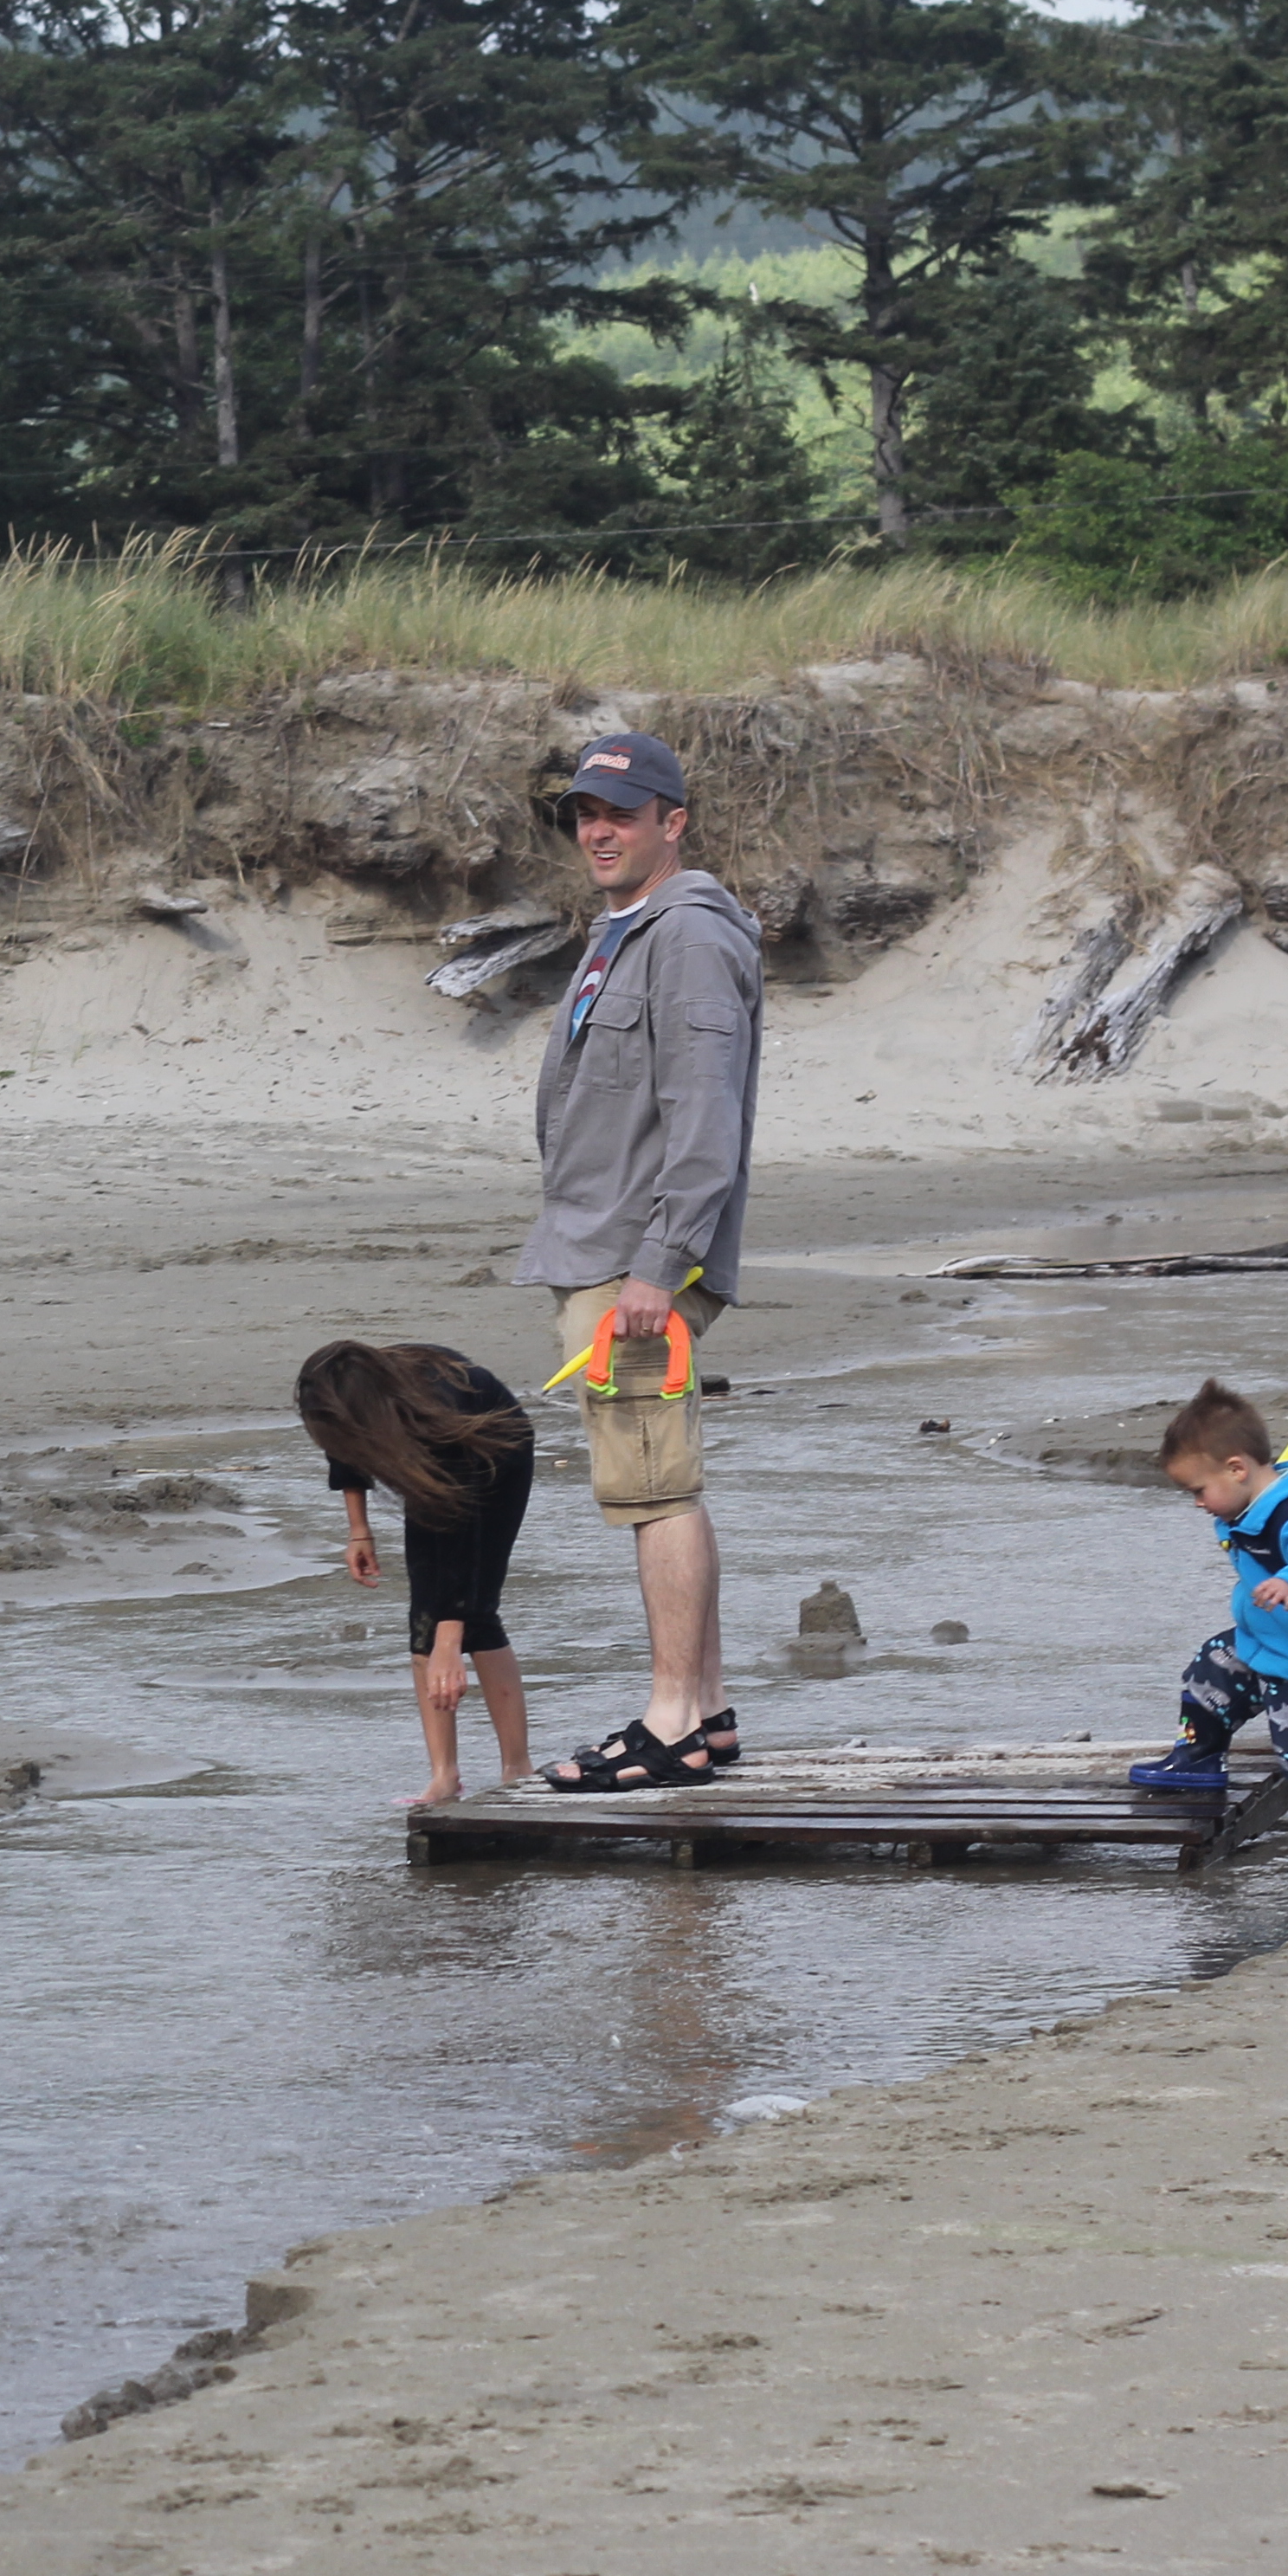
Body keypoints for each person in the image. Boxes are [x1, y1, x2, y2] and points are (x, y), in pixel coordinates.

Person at [509, 729, 763, 1793]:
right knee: (657, 1480)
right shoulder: (626, 928)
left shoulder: (690, 937)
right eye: (584, 814)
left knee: (654, 1484)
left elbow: (704, 1118)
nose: (598, 831)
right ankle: (701, 1716)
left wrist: (661, 1266)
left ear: (674, 821)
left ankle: (668, 1721)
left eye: (620, 813)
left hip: (637, 1264)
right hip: (604, 1247)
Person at [1129, 1379, 1288, 1868]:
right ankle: (1199, 1759)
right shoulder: (1249, 1503)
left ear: (1237, 1468)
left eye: (1198, 1490)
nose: (1197, 1503)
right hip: (1265, 1639)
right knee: (1211, 1671)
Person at [298, 1339, 540, 1807]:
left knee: (478, 1611)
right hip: (430, 1461)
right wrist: (359, 1531)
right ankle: (444, 1776)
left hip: (494, 1453)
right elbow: (342, 1450)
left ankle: (517, 1768)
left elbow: (460, 1537)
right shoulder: (341, 1398)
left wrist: (451, 1644)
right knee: (422, 1620)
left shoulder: (438, 1412)